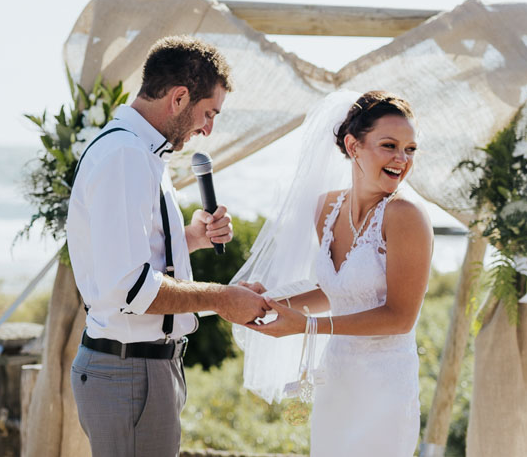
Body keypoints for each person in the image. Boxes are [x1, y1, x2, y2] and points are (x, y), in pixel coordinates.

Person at [66, 35, 270, 457]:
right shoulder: (125, 155)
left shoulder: (142, 152)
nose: (208, 129)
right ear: (179, 97)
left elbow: (134, 257)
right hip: (129, 373)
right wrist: (222, 300)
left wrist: (188, 238)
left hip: (142, 369)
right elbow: (131, 289)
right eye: (208, 113)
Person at [239, 90, 433, 457]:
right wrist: (267, 301)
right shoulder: (325, 208)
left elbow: (400, 317)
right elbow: (337, 290)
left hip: (385, 387)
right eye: (389, 145)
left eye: (410, 149)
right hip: (337, 377)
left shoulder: (406, 215)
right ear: (353, 145)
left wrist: (308, 326)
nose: (401, 159)